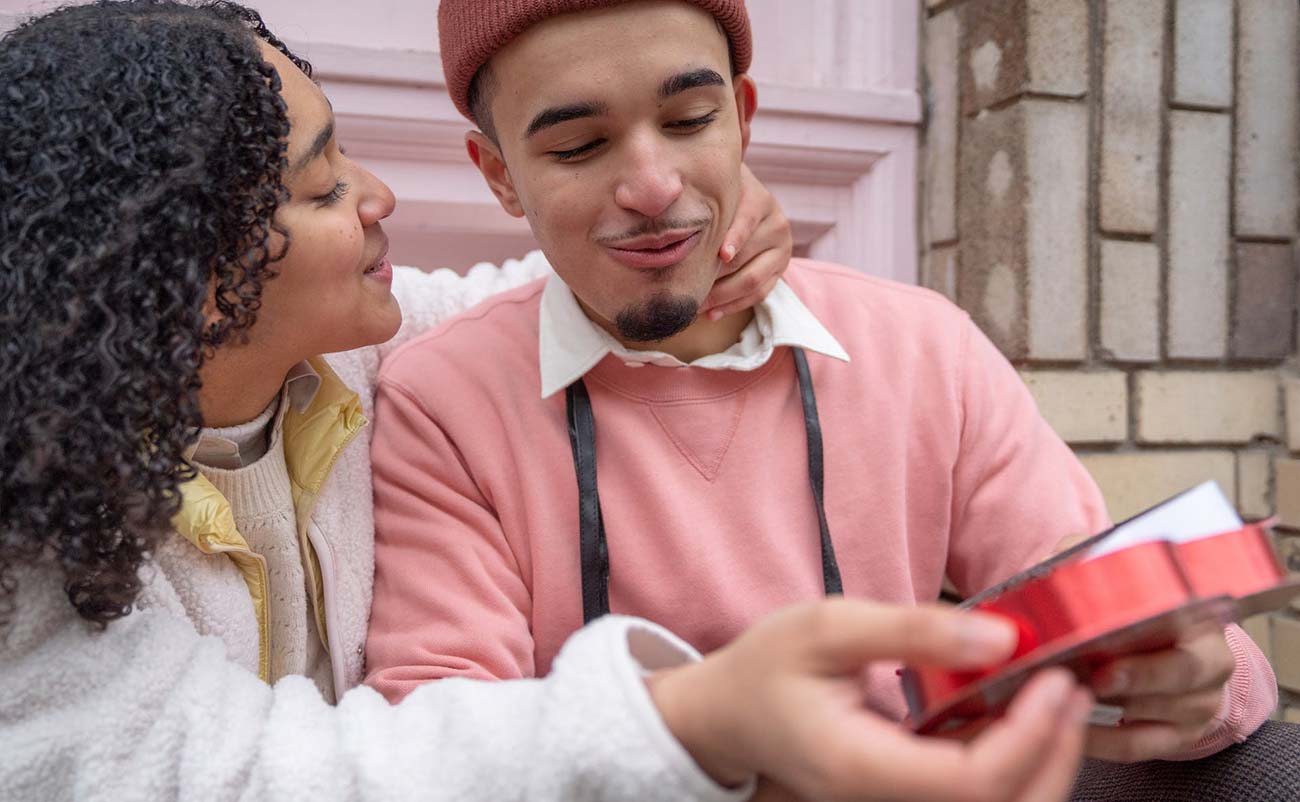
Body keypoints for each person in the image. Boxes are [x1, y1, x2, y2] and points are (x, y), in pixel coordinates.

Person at [0, 3, 1097, 801]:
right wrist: (689, 717)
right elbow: (248, 776)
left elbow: (549, 298)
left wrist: (693, 210)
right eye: (327, 185)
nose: (380, 198)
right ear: (176, 281)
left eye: (695, 116)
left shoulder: (360, 350)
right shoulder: (30, 550)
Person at [364, 0, 1277, 774]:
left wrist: (1198, 678)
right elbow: (443, 738)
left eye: (689, 122)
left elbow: (1116, 600)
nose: (651, 184)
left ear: (745, 116)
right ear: (498, 177)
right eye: (578, 144)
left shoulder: (921, 347)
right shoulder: (445, 400)